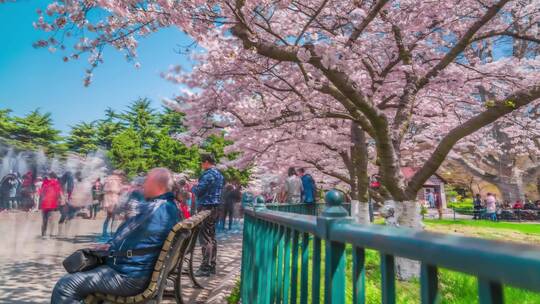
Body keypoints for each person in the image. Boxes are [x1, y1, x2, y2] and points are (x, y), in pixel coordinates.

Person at [51, 168, 180, 303]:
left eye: (147, 181)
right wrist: (111, 245)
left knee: (66, 286)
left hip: (129, 276)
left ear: (157, 185)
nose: (143, 184)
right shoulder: (167, 207)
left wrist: (109, 249)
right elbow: (139, 236)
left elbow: (127, 220)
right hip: (140, 271)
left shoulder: (154, 209)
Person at [191, 153, 224, 277]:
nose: (201, 165)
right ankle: (212, 266)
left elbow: (199, 191)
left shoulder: (208, 175)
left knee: (205, 238)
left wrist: (193, 187)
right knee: (212, 237)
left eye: (201, 162)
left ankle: (205, 267)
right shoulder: (219, 175)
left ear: (206, 162)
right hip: (216, 208)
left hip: (205, 207)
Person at [102, 170, 125, 238]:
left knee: (108, 217)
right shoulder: (117, 181)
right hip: (114, 200)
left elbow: (105, 190)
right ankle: (112, 233)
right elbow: (118, 190)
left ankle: (104, 232)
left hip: (108, 200)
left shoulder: (108, 180)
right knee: (114, 218)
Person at [40, 173, 62, 238]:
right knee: (51, 220)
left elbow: (41, 193)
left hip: (44, 204)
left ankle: (43, 234)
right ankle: (51, 234)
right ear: (54, 177)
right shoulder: (56, 184)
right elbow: (59, 194)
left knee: (45, 220)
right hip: (52, 204)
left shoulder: (44, 183)